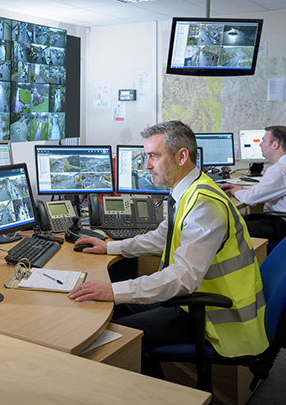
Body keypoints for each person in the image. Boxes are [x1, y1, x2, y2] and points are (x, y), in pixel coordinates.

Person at [68, 121, 268, 377]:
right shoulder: (189, 191)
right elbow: (161, 237)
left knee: (120, 336)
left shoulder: (204, 206)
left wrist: (113, 289)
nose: (147, 165)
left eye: (153, 156)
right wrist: (110, 247)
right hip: (193, 302)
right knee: (112, 308)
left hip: (218, 318)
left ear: (181, 156)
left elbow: (183, 278)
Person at [221, 126, 286, 241]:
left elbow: (250, 198)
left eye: (263, 140)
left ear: (275, 145)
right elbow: (261, 191)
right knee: (241, 219)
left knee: (231, 227)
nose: (260, 144)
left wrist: (236, 191)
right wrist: (242, 189)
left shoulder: (281, 169)